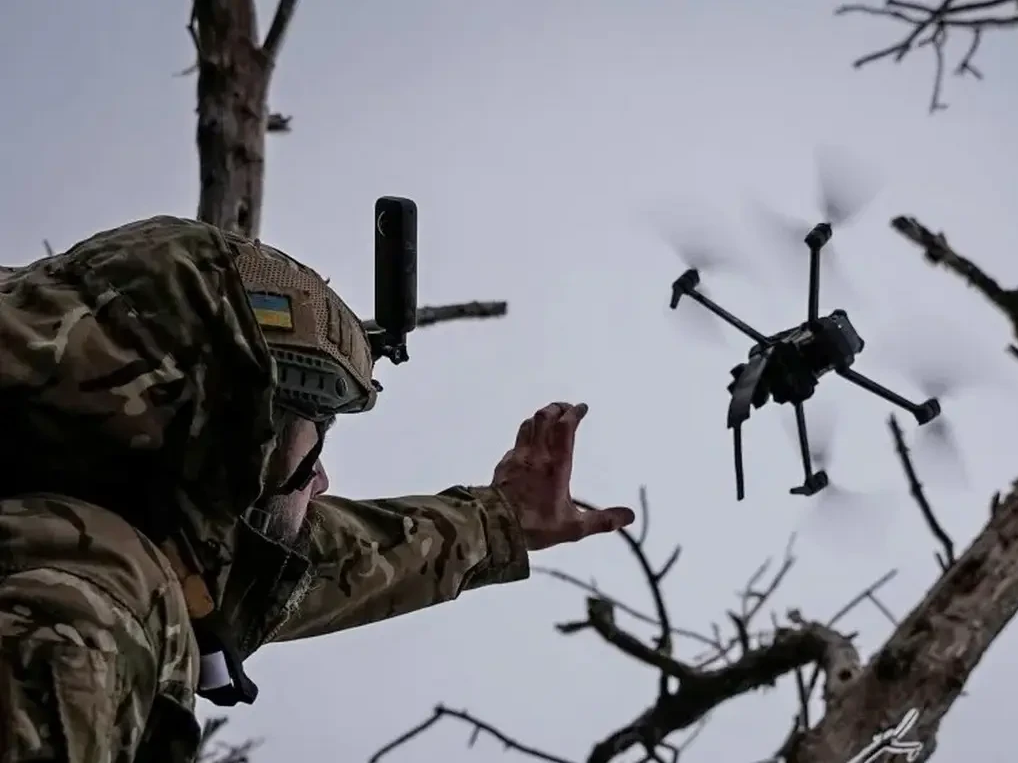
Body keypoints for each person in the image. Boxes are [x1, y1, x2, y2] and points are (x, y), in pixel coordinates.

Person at [0, 215, 635, 762]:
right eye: (313, 435)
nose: (323, 480)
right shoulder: (78, 607)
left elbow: (304, 557)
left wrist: (498, 521)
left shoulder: (74, 515)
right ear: (236, 435)